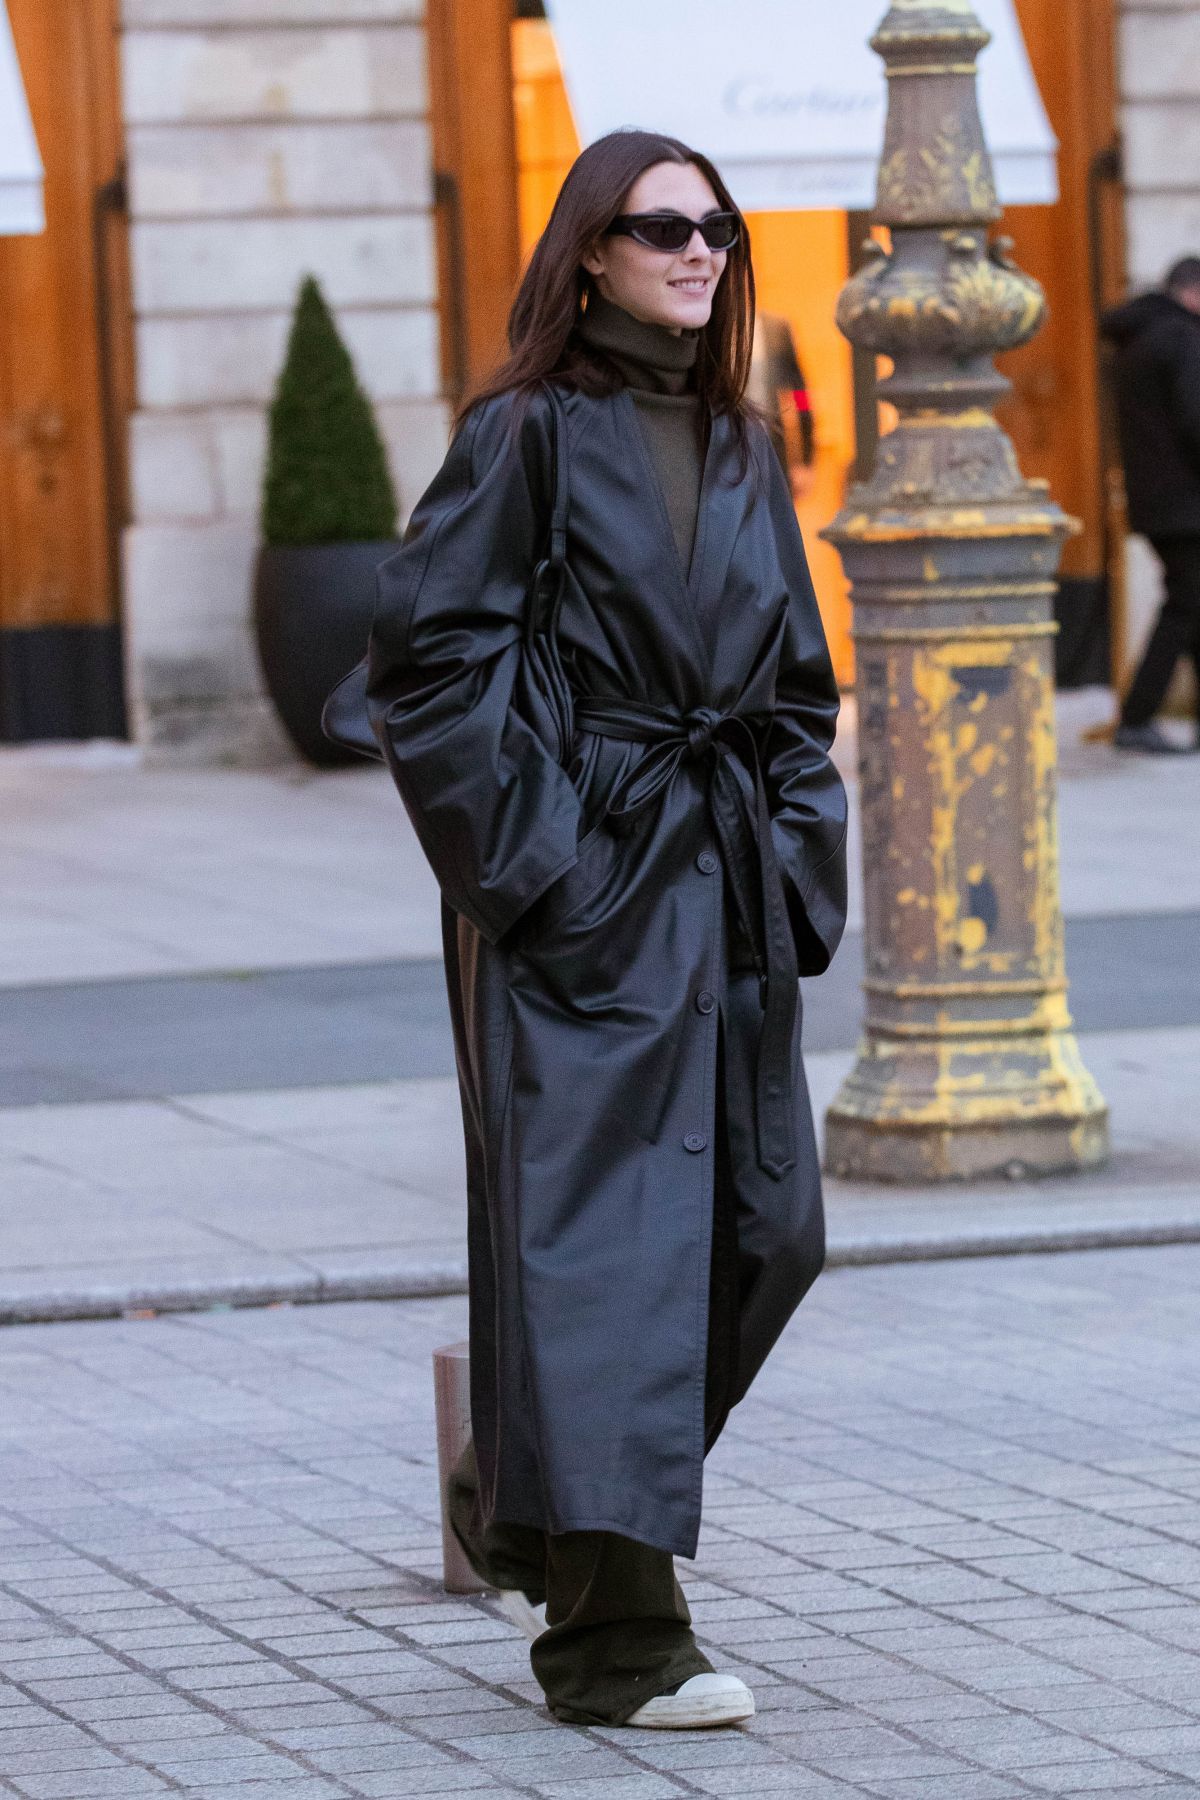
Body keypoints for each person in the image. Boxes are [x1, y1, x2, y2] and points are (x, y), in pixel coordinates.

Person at [365, 129, 848, 1730]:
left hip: (725, 883)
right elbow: (429, 666)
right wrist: (549, 872)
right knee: (610, 1262)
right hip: (584, 886)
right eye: (661, 228)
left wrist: (794, 848)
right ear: (590, 250)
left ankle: (524, 1486)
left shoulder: (736, 437)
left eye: (715, 228)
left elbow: (791, 687)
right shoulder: (523, 432)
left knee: (771, 1233)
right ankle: (615, 1642)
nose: (699, 251)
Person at [1103, 256, 1200, 752]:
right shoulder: (1180, 339)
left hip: (1160, 501)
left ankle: (1140, 717)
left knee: (1190, 601)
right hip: (1187, 502)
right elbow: (1195, 421)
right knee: (1186, 604)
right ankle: (1137, 717)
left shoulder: (1136, 339)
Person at [748, 310, 817, 500]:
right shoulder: (714, 328)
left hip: (773, 446)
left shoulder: (776, 329)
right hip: (730, 450)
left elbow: (800, 394)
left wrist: (805, 459)